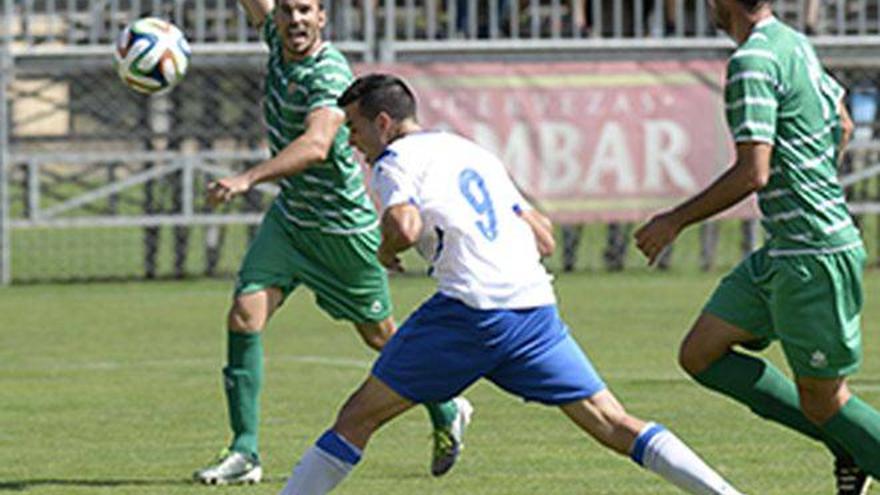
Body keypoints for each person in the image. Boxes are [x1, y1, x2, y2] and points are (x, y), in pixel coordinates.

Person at [276, 73, 746, 495]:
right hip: (532, 308)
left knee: (357, 417)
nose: (354, 145)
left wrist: (388, 251)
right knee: (613, 422)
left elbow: (402, 224)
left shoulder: (393, 161)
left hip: (469, 311)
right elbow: (541, 233)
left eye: (355, 131)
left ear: (383, 123)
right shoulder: (468, 150)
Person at [193, 0, 468, 484]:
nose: (295, 20)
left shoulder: (328, 73)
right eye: (287, 11)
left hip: (342, 229)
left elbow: (318, 144)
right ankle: (245, 452)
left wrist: (248, 178)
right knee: (244, 314)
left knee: (381, 337)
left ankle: (446, 407)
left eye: (306, 10)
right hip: (291, 220)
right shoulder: (278, 41)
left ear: (322, 18)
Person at [635, 1, 880, 494]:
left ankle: (851, 437)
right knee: (701, 354)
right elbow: (844, 122)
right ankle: (847, 441)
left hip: (812, 252)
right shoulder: (793, 42)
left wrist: (674, 220)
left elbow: (754, 172)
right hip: (785, 251)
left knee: (824, 399)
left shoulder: (752, 61)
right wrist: (813, 173)